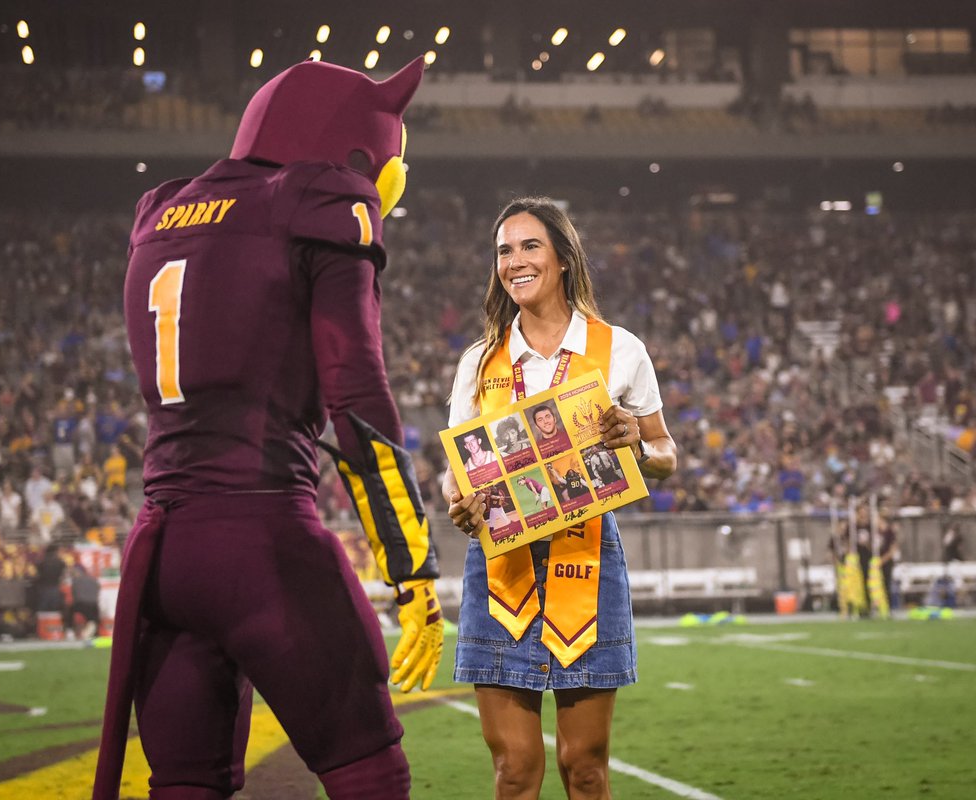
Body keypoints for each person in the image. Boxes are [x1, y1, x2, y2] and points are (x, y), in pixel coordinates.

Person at [94, 58, 443, 800]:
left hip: (160, 555)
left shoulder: (159, 211)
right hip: (262, 537)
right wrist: (410, 565)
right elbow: (357, 394)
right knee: (371, 774)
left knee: (184, 786)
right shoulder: (321, 199)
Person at [444, 197, 677, 798]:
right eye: (504, 250)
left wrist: (637, 444)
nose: (515, 261)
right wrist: (459, 503)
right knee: (515, 768)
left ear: (563, 258)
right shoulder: (478, 362)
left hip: (590, 561)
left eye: (529, 246)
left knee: (586, 766)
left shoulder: (620, 348)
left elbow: (666, 457)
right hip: (502, 572)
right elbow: (458, 473)